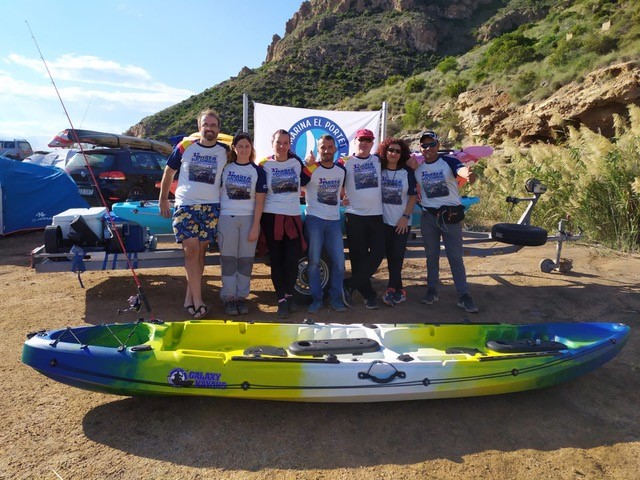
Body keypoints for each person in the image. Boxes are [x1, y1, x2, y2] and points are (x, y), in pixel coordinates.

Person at [158, 108, 228, 319]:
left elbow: (246, 158)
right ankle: (198, 301)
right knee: (191, 251)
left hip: (211, 207)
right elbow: (168, 172)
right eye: (206, 125)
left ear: (218, 129)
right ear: (199, 128)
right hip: (186, 206)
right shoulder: (185, 146)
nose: (209, 128)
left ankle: (189, 298)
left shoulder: (225, 151)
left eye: (213, 125)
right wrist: (163, 198)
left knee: (201, 254)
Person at [413, 130, 479, 313]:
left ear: (438, 146)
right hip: (428, 217)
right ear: (420, 148)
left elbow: (461, 169)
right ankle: (432, 290)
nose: (428, 148)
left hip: (450, 217)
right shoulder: (417, 168)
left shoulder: (449, 161)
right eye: (424, 145)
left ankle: (463, 295)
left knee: (455, 257)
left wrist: (468, 174)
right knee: (431, 256)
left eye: (431, 144)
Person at [217, 132, 267, 316]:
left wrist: (256, 225)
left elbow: (260, 201)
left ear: (251, 148)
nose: (244, 149)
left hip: (249, 220)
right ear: (234, 148)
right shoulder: (226, 169)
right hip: (227, 218)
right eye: (240, 146)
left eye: (247, 146)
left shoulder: (257, 171)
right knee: (229, 260)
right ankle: (229, 296)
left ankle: (241, 296)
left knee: (246, 261)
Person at [259, 129, 306, 318]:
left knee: (292, 260)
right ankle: (281, 300)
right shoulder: (264, 164)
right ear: (272, 143)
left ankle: (289, 294)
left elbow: (309, 178)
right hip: (271, 217)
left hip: (293, 216)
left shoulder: (296, 163)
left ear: (290, 145)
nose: (282, 146)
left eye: (286, 143)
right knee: (277, 260)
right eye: (278, 142)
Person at [301, 135, 348, 313]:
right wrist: (307, 165)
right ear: (318, 149)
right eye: (323, 147)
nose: (327, 150)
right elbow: (298, 183)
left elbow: (342, 192)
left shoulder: (341, 171)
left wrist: (345, 198)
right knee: (313, 261)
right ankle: (317, 299)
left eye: (330, 147)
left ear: (335, 149)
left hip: (334, 221)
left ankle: (336, 299)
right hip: (314, 219)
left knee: (339, 263)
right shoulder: (311, 169)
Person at [340, 128, 385, 310]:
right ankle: (369, 295)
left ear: (372, 144)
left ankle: (349, 284)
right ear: (355, 142)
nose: (364, 143)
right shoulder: (346, 164)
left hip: (375, 215)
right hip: (355, 215)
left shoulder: (378, 160)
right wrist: (339, 197)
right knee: (358, 258)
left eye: (368, 140)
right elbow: (331, 181)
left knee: (378, 253)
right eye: (361, 139)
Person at [377, 138, 417, 307]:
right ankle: (398, 289)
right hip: (383, 222)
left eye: (397, 151)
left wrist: (405, 217)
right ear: (385, 152)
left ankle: (391, 289)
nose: (393, 153)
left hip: (402, 222)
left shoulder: (407, 172)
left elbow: (413, 196)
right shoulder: (379, 170)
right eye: (390, 150)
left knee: (397, 256)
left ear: (402, 154)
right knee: (388, 256)